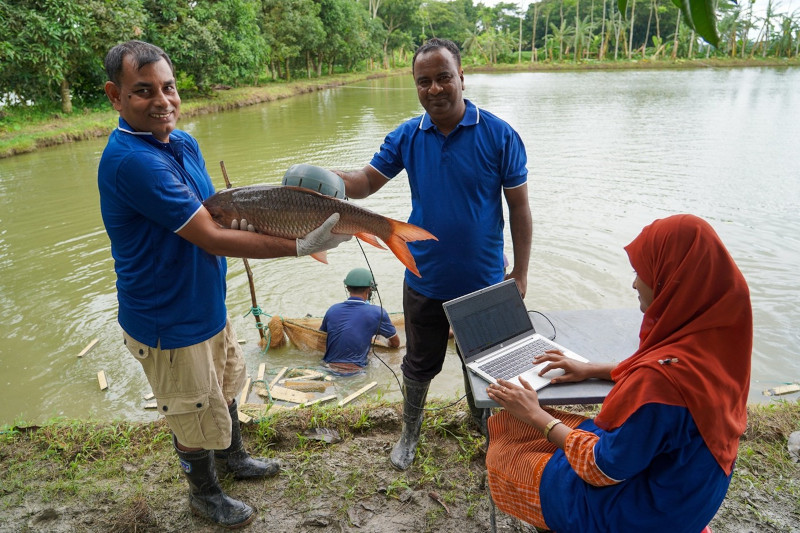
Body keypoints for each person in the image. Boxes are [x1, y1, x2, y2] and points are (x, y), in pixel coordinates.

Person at [97, 40, 350, 529]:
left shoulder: (182, 142)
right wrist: (298, 245)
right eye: (143, 91)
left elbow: (217, 210)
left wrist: (273, 217)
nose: (162, 101)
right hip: (167, 318)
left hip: (207, 302)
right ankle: (204, 493)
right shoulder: (133, 161)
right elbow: (213, 237)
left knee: (226, 384)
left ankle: (234, 458)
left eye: (168, 88)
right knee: (192, 410)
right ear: (116, 96)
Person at [334, 37, 532, 470]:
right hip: (423, 276)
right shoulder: (407, 135)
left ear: (461, 77)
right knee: (418, 364)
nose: (435, 89)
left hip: (484, 281)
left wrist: (519, 273)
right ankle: (410, 432)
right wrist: (322, 178)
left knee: (483, 363)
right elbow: (365, 182)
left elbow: (519, 206)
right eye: (424, 81)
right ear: (416, 86)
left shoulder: (499, 134)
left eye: (444, 78)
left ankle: (483, 427)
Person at [485, 214, 752, 533]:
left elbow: (599, 469)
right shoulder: (719, 337)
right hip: (690, 490)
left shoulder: (660, 383)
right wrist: (592, 369)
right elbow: (677, 380)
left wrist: (537, 415)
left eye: (642, 273)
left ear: (671, 279)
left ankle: (558, 522)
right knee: (520, 424)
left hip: (645, 514)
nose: (635, 283)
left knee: (506, 455)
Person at [319, 268, 400, 374]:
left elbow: (320, 338)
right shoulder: (377, 312)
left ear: (347, 288)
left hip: (328, 368)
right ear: (369, 290)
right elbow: (396, 343)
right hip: (357, 372)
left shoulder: (332, 310)